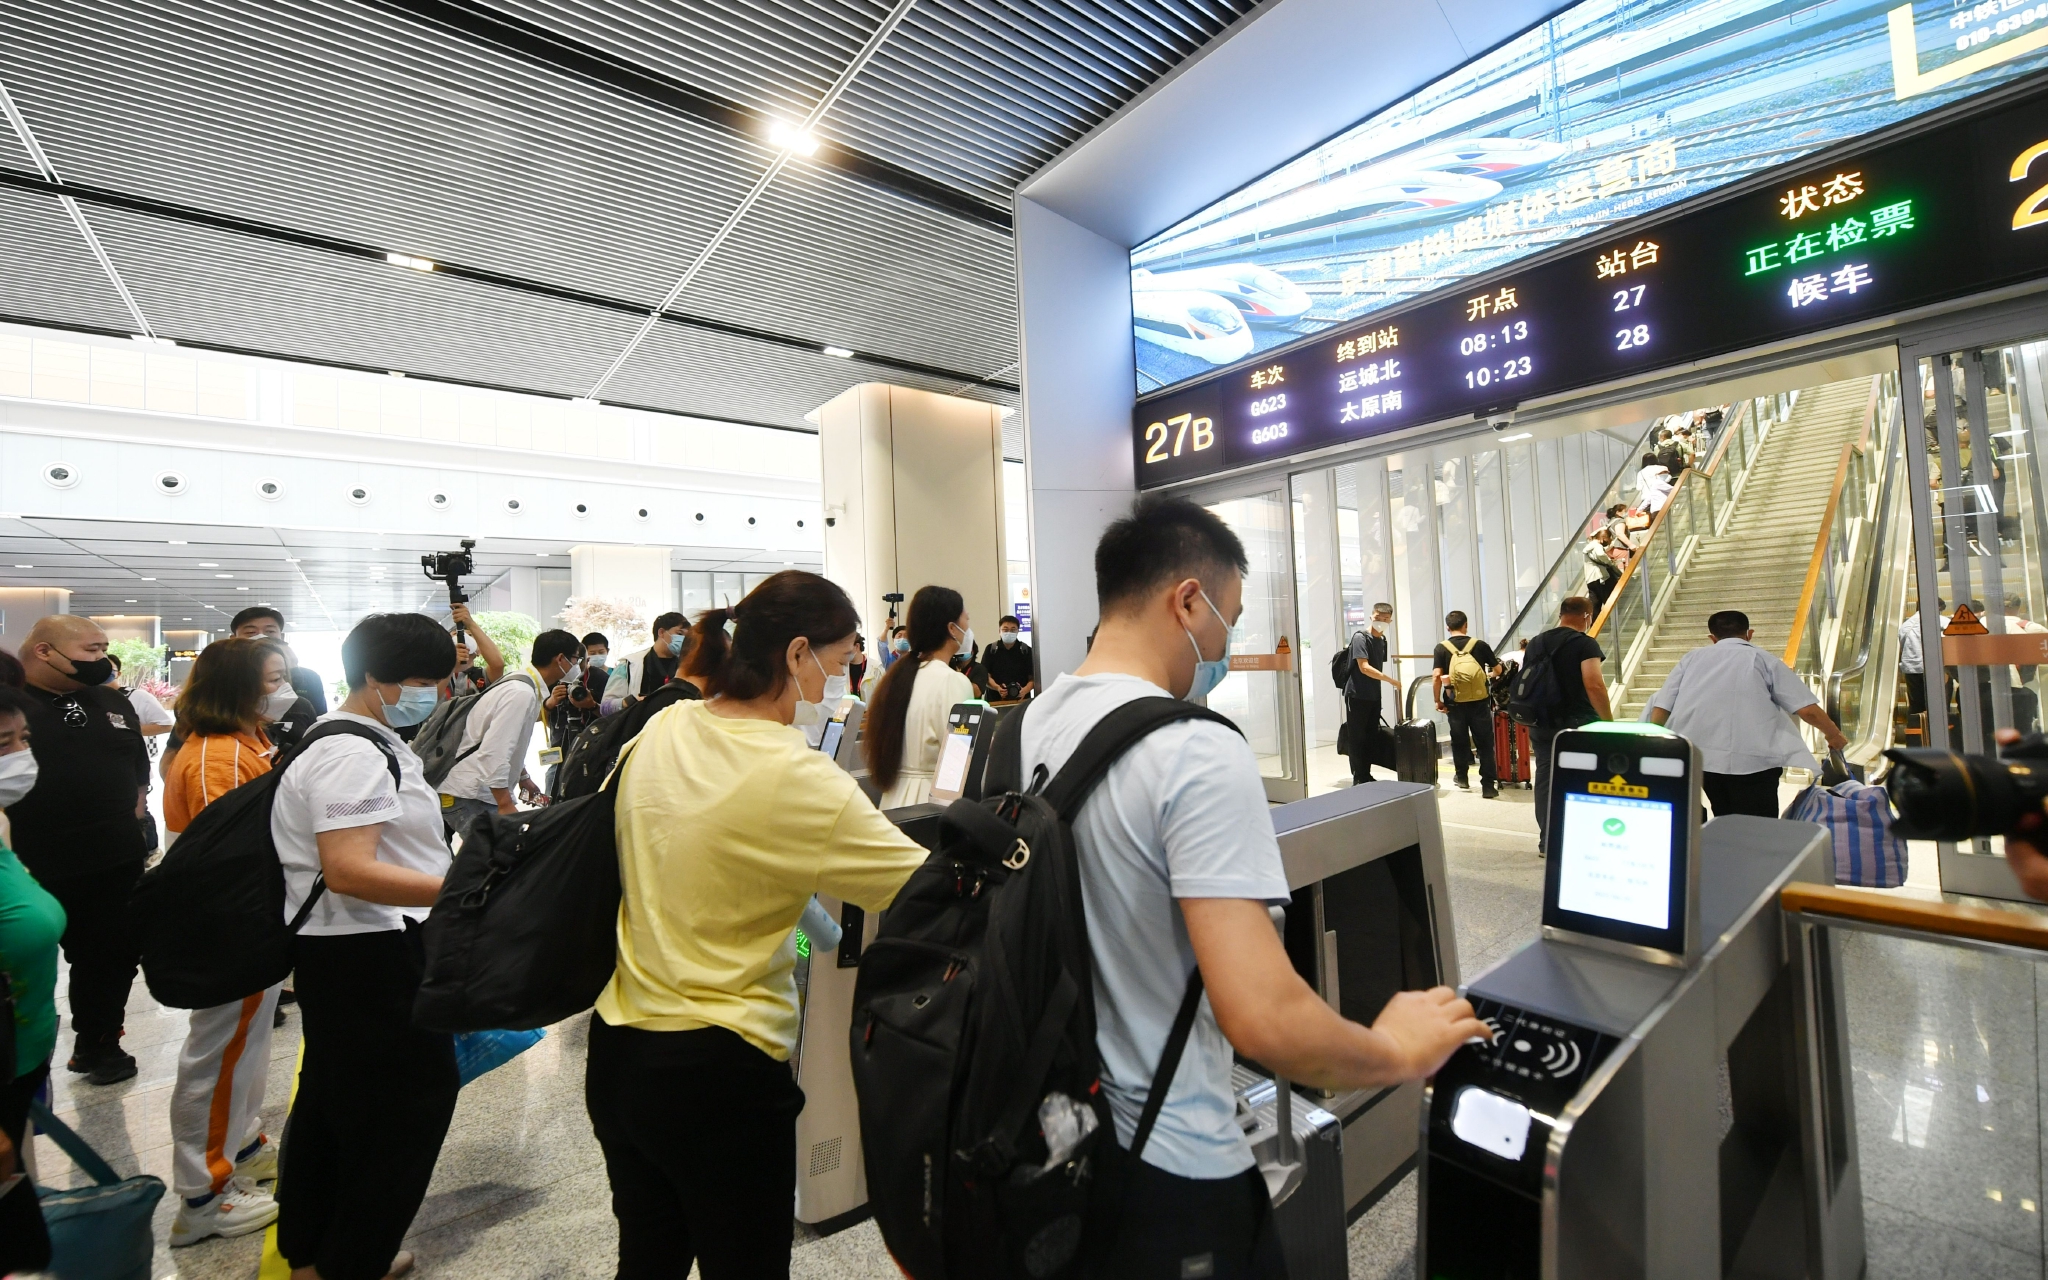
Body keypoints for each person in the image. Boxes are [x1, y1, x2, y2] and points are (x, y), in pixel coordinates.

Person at [1019, 495, 1485, 1274]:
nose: (1227, 643)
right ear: (1188, 601)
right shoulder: (1194, 748)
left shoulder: (1032, 723)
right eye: (1228, 617)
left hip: (1062, 1139)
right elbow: (1263, 1017)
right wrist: (1393, 1050)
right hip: (1173, 1170)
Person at [590, 571, 930, 1277]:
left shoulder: (664, 725)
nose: (841, 679)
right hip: (722, 1069)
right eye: (839, 662)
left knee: (646, 1260)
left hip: (620, 1049)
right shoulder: (797, 774)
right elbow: (924, 889)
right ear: (798, 653)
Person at [272, 612, 459, 1280]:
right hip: (369, 955)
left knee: (334, 1107)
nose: (435, 694)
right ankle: (354, 1259)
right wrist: (462, 891)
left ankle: (315, 1254)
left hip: (348, 951)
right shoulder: (350, 752)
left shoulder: (357, 738)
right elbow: (350, 868)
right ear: (374, 679)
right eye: (422, 681)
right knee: (405, 1117)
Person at [160, 637, 297, 1245]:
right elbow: (233, 853)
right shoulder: (223, 757)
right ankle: (203, 1194)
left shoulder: (244, 745)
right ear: (237, 687)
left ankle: (240, 1151)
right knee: (216, 1058)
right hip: (230, 926)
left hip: (242, 922)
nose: (281, 689)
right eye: (271, 679)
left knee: (242, 1048)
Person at [11, 615, 150, 1084]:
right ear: (45, 650)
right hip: (32, 864)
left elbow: (136, 770)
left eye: (104, 648)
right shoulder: (13, 708)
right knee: (26, 960)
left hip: (113, 859)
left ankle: (99, 1042)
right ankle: (21, 1059)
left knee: (110, 957)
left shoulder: (111, 701)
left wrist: (137, 816)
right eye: (91, 650)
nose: (102, 660)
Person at [1648, 611, 1848, 819]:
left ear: (1712, 638)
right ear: (1749, 634)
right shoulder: (1763, 659)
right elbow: (1807, 710)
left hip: (1705, 760)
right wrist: (1833, 735)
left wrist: (1655, 742)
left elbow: (1663, 705)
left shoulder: (1690, 659)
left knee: (1723, 817)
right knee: (1758, 824)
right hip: (1755, 762)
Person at [0, 684, 63, 1268]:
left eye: (23, 740)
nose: (20, 758)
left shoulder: (0, 821)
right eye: (4, 744)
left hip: (23, 1055)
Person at [441, 630, 578, 837]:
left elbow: (506, 741)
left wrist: (523, 777)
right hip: (471, 794)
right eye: (575, 659)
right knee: (496, 858)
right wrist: (505, 803)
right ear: (560, 659)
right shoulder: (521, 693)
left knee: (487, 861)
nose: (576, 665)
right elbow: (494, 751)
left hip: (474, 792)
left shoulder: (521, 684)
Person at [863, 586, 975, 808]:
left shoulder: (897, 677)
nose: (969, 628)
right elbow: (959, 758)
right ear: (952, 629)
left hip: (893, 800)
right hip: (932, 802)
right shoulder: (952, 680)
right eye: (966, 620)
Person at [1526, 598, 1612, 859]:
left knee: (1545, 778)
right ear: (1588, 615)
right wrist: (1607, 721)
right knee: (1581, 779)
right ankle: (1579, 839)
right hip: (1575, 723)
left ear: (1561, 614)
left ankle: (1548, 842)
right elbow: (1594, 683)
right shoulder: (1585, 643)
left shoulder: (1537, 642)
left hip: (1540, 722)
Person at [1432, 611, 1501, 798]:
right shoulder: (1479, 645)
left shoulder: (1441, 648)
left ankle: (1461, 777)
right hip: (1479, 702)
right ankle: (1488, 786)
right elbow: (1498, 669)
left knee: (1459, 740)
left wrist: (1437, 700)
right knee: (1485, 743)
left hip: (1454, 702)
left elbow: (1437, 676)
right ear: (1466, 625)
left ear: (1448, 627)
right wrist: (1487, 677)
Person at [232, 606, 328, 715]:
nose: (261, 637)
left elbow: (319, 719)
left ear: (281, 637)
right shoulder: (222, 677)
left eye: (270, 631)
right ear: (233, 639)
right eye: (250, 632)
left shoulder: (308, 678)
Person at [1343, 603, 1401, 785]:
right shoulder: (1361, 637)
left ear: (1390, 620)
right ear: (1371, 617)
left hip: (1374, 695)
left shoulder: (1382, 640)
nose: (1381, 622)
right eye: (1378, 618)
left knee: (1370, 736)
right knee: (1357, 737)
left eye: (1385, 619)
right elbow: (1365, 667)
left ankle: (1366, 775)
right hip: (1357, 694)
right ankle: (1358, 776)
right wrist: (1391, 680)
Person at [603, 612, 689, 714]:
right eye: (679, 634)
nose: (683, 640)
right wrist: (630, 702)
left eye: (687, 637)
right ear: (661, 632)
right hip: (639, 726)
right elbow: (605, 707)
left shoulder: (688, 665)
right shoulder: (629, 664)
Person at [1900, 599, 1946, 715]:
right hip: (1932, 668)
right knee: (1937, 703)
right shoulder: (1940, 620)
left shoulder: (1906, 625)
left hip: (1911, 668)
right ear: (1938, 608)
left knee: (1916, 705)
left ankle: (1917, 729)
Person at [981, 615, 1036, 701]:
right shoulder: (991, 649)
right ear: (999, 631)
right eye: (1005, 629)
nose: (1009, 632)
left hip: (1021, 701)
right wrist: (997, 688)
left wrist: (1025, 690)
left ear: (1018, 631)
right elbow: (985, 676)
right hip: (994, 701)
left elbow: (1033, 678)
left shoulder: (1026, 650)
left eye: (1013, 629)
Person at [1581, 528, 1620, 615]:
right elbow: (1600, 554)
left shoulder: (1588, 547)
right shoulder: (1597, 546)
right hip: (1601, 578)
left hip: (1590, 580)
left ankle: (1594, 626)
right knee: (1609, 601)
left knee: (1595, 605)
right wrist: (1608, 561)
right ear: (1603, 538)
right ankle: (1614, 621)